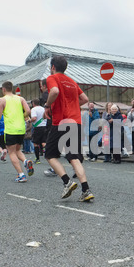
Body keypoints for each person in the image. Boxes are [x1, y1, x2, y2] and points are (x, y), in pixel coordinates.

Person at [43, 55, 94, 202]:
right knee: (74, 157)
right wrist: (72, 106)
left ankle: (67, 182)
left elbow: (54, 92)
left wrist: (47, 106)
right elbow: (85, 99)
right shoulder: (72, 81)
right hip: (75, 122)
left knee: (50, 155)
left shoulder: (52, 78)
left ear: (53, 67)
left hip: (60, 122)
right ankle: (86, 190)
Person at [0, 81, 33, 182]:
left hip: (10, 130)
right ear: (11, 88)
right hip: (21, 129)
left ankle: (21, 175)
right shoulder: (20, 98)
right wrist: (23, 116)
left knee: (11, 152)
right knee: (17, 150)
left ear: (3, 89)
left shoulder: (1, 100)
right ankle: (26, 161)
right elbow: (29, 111)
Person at [30, 98, 47, 164]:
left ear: (33, 103)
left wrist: (29, 120)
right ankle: (49, 155)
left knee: (35, 143)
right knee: (43, 142)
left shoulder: (34, 109)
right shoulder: (43, 108)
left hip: (37, 127)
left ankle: (37, 159)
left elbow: (34, 118)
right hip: (44, 126)